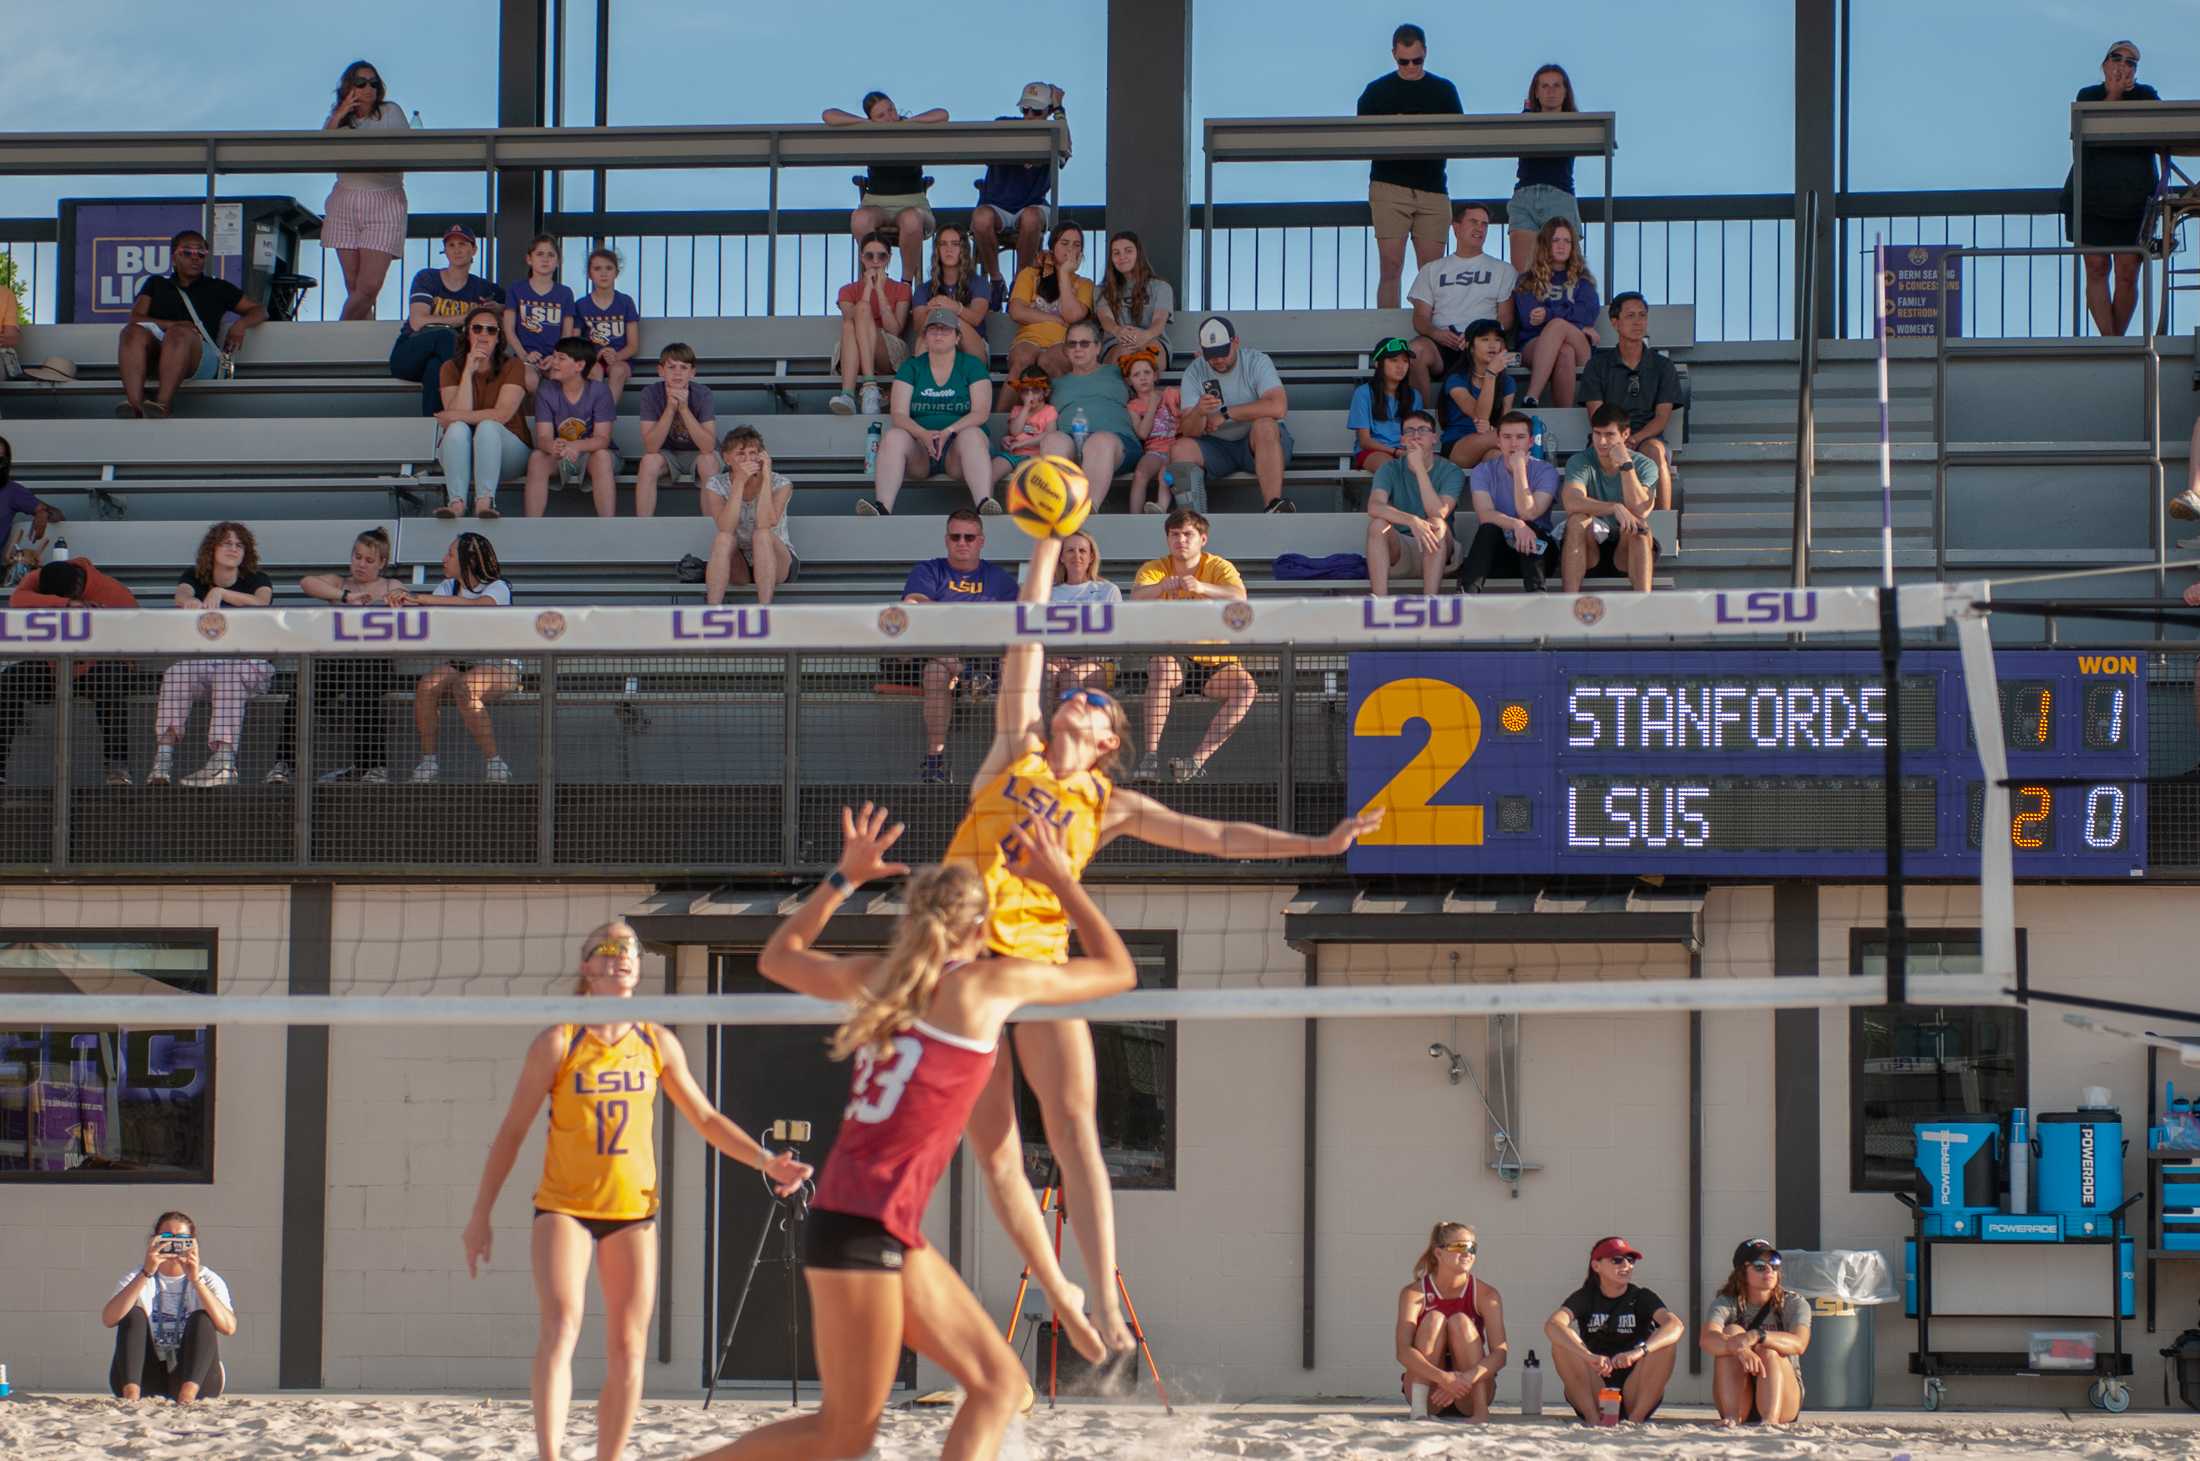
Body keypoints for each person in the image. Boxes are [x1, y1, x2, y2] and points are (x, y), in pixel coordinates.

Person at [938, 535, 1383, 1362]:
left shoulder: (1109, 800)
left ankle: (1103, 1296)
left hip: (1038, 962)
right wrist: (1042, 543)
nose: (1085, 700)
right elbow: (1026, 640)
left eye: (1101, 705)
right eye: (1082, 696)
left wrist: (1318, 841)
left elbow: (1218, 835)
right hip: (964, 964)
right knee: (995, 1149)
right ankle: (1059, 1287)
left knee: (1074, 1128)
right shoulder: (1012, 753)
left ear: (1108, 739)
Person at [703, 804, 1136, 1461]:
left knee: (997, 1384)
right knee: (844, 1433)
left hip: (876, 1224)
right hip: (862, 1226)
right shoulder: (986, 985)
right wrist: (1060, 877)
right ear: (983, 925)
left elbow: (778, 955)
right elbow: (1117, 969)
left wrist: (844, 879)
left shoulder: (880, 979)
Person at [465, 922, 811, 1461]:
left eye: (628, 948)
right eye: (606, 947)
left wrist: (767, 1162)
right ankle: (550, 1454)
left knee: (629, 1347)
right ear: (586, 966)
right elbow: (511, 1132)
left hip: (633, 1212)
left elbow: (705, 1117)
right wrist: (480, 1215)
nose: (620, 955)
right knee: (561, 1326)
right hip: (564, 1208)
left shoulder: (655, 1040)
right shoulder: (558, 1041)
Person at [1129, 509, 1256, 782]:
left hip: (1215, 661)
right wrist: (1161, 587)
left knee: (1246, 687)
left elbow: (1239, 596)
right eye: (1174, 535)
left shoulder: (1219, 566)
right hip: (1173, 655)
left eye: (1188, 534)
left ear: (1203, 539)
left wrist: (1201, 587)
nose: (1181, 540)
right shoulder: (1154, 568)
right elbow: (1136, 597)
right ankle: (1150, 758)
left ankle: (1194, 762)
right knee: (1162, 668)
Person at [152, 522, 275, 788]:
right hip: (209, 663)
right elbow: (182, 594)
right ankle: (163, 760)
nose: (233, 548)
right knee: (177, 672)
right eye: (226, 543)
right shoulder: (195, 576)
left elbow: (263, 602)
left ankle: (224, 762)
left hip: (249, 665)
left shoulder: (257, 579)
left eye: (239, 545)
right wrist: (190, 601)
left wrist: (220, 592)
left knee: (227, 674)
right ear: (213, 548)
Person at [904, 509, 1020, 784]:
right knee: (935, 671)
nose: (962, 542)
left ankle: (1014, 762)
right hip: (935, 650)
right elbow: (914, 605)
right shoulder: (929, 570)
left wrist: (946, 614)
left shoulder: (999, 579)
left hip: (984, 655)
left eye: (969, 537)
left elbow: (1015, 620)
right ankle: (935, 761)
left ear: (981, 541)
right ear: (946, 540)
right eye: (956, 536)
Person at [0, 559, 135, 788]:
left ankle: (117, 766)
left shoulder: (111, 591)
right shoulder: (39, 576)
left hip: (98, 666)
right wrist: (66, 603)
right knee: (7, 680)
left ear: (78, 586)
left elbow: (134, 633)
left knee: (111, 677)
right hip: (55, 664)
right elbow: (17, 599)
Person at [396, 533, 519, 784]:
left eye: (450, 554)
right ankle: (428, 762)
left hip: (500, 665)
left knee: (465, 688)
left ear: (469, 560)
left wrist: (422, 598)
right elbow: (424, 610)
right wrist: (399, 598)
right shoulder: (446, 587)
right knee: (427, 686)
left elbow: (481, 608)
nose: (444, 559)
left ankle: (495, 763)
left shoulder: (499, 587)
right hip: (459, 663)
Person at [1357, 24, 1462, 310]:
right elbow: (1360, 138)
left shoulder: (1443, 90)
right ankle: (1388, 334)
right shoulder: (1376, 92)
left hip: (1433, 189)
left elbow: (1461, 136)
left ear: (1425, 53)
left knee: (1432, 272)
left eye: (1417, 60)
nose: (1411, 67)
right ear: (1394, 55)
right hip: (1390, 186)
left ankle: (1433, 333)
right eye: (1404, 61)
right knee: (1391, 266)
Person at [2063, 41, 2159, 338]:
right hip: (2091, 196)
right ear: (2104, 63)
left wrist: (2125, 92)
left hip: (2134, 199)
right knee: (2096, 267)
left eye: (2131, 61)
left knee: (2128, 272)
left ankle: (2115, 341)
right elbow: (2089, 129)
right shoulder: (2088, 95)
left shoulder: (2146, 95)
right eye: (2117, 57)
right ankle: (2112, 341)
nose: (2123, 65)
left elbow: (2159, 129)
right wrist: (2115, 92)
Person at [116, 230, 266, 420]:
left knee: (179, 333)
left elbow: (260, 310)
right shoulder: (156, 284)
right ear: (173, 257)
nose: (195, 258)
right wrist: (173, 324)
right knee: (132, 332)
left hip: (200, 357)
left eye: (201, 254)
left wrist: (241, 325)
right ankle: (134, 405)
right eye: (187, 253)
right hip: (161, 352)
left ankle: (163, 405)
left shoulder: (218, 287)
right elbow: (136, 318)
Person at [296, 528, 404, 785]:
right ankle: (285, 763)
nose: (361, 564)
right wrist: (346, 597)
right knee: (301, 688)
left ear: (382, 563)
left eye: (369, 560)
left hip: (375, 661)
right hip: (338, 661)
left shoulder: (391, 585)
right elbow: (306, 583)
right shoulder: (338, 583)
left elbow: (407, 603)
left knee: (363, 683)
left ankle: (373, 766)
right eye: (357, 557)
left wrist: (394, 601)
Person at [864, 306, 996, 517]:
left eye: (945, 329)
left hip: (958, 450)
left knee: (973, 434)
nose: (939, 333)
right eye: (933, 329)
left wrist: (949, 431)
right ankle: (882, 508)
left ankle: (984, 504)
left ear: (957, 337)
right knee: (894, 436)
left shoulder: (972, 366)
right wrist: (923, 434)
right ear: (924, 336)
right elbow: (898, 414)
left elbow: (981, 413)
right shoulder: (912, 367)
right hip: (921, 449)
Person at [1546, 1236, 1685, 1425]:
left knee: (1665, 1343)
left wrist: (1637, 1353)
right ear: (1597, 1266)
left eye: (1631, 1260)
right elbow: (1552, 1325)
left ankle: (1635, 1421)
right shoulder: (1586, 1297)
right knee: (1562, 1343)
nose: (1626, 1265)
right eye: (1617, 1260)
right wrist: (1589, 1357)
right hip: (1595, 1388)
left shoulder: (1641, 1296)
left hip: (1635, 1390)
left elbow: (1676, 1325)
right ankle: (1593, 1420)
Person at [101, 1211, 235, 1402]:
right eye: (166, 1238)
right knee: (133, 1314)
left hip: (196, 1378)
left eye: (182, 1240)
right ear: (154, 1241)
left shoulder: (208, 1278)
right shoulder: (136, 1276)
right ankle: (131, 1395)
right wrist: (147, 1271)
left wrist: (195, 1279)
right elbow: (109, 1319)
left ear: (193, 1243)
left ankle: (186, 1396)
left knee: (202, 1318)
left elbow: (228, 1327)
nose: (173, 1245)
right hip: (146, 1376)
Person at [1170, 316, 1295, 514]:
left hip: (1258, 443)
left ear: (1235, 342)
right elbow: (1189, 431)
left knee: (1265, 425)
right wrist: (1199, 412)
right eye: (1211, 355)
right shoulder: (1194, 371)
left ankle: (1273, 506)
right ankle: (1193, 522)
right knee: (1180, 449)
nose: (1218, 359)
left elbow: (1278, 406)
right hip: (1218, 448)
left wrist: (1226, 413)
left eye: (1222, 352)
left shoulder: (1256, 361)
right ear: (1202, 350)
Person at [824, 91, 947, 283]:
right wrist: (867, 125)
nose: (890, 117)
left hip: (914, 203)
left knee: (911, 219)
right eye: (881, 115)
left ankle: (906, 283)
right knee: (859, 219)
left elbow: (942, 115)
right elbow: (828, 115)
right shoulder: (869, 133)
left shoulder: (910, 128)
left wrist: (908, 123)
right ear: (871, 119)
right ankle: (876, 279)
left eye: (891, 110)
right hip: (876, 203)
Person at [320, 59, 410, 320]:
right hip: (345, 199)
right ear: (349, 86)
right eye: (361, 82)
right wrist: (340, 113)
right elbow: (319, 150)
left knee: (369, 287)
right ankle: (359, 346)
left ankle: (338, 338)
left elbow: (408, 148)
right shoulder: (339, 122)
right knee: (354, 286)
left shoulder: (390, 112)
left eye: (374, 83)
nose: (368, 88)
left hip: (385, 198)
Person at [1404, 205, 1517, 413]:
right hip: (1443, 343)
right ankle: (1421, 419)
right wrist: (1437, 334)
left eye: (1484, 224)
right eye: (1473, 222)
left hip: (1482, 344)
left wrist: (1478, 336)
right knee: (1415, 351)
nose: (1480, 228)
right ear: (1456, 227)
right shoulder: (1432, 269)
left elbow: (1506, 319)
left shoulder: (1503, 270)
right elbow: (1420, 318)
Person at [1396, 1221, 1509, 1421]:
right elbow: (1403, 1351)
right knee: (1434, 1319)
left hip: (1469, 1393)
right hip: (1431, 1393)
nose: (1467, 1253)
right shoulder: (1413, 1293)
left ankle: (1481, 1411)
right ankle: (1419, 1411)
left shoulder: (1486, 1294)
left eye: (1472, 1247)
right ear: (1438, 1253)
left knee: (1461, 1322)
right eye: (1459, 1247)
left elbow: (1500, 1354)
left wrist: (1464, 1379)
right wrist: (1444, 1378)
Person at [1579, 292, 1681, 506]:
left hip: (1646, 436)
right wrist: (1618, 441)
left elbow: (1662, 418)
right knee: (1600, 452)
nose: (1638, 322)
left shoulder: (1663, 366)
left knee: (1656, 451)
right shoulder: (1597, 365)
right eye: (1630, 316)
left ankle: (1663, 525)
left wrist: (1633, 439)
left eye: (1642, 315)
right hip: (1607, 436)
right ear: (1615, 322)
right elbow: (1597, 416)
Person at [391, 225, 501, 415]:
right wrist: (466, 318)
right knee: (445, 336)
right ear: (446, 251)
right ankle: (476, 389)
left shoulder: (484, 288)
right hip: (410, 354)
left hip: (446, 360)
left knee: (437, 368)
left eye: (463, 244)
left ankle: (436, 428)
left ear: (474, 249)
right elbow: (418, 321)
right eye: (451, 245)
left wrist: (500, 308)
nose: (457, 250)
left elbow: (517, 306)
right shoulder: (428, 277)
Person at [435, 303, 530, 520]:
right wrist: (468, 372)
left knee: (488, 426)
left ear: (498, 338)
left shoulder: (514, 365)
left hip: (508, 453)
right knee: (458, 428)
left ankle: (485, 502)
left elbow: (502, 415)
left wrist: (455, 416)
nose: (484, 334)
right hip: (462, 454)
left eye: (491, 330)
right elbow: (453, 423)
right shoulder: (450, 368)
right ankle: (456, 503)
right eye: (477, 328)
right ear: (467, 333)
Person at [1703, 1239, 1811, 1428]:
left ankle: (1770, 1421)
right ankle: (1731, 1417)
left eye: (1774, 1264)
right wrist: (1738, 1347)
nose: (1769, 1271)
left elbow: (1799, 1343)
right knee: (1732, 1332)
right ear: (1742, 1273)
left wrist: (1758, 1335)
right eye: (1760, 1266)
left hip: (1782, 1396)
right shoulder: (1726, 1302)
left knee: (1768, 1349)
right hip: (1739, 1395)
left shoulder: (1794, 1302)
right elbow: (1707, 1339)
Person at [972, 82, 1070, 285]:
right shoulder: (1004, 125)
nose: (1029, 116)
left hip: (1032, 204)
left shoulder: (1053, 133)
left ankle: (1021, 282)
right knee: (980, 219)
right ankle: (996, 280)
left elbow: (1065, 148)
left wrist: (1060, 110)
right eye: (1025, 109)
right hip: (998, 205)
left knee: (1031, 218)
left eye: (1036, 111)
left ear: (1048, 111)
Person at [1041, 319, 1143, 508]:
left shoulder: (1118, 371)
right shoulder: (1055, 385)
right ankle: (1057, 508)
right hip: (1072, 442)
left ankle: (1088, 509)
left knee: (1100, 440)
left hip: (1117, 443)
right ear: (1065, 350)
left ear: (1098, 348)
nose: (1078, 349)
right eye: (1072, 344)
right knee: (1052, 440)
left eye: (1085, 343)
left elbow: (1148, 378)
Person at [1560, 405, 1658, 594]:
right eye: (1597, 433)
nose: (1602, 441)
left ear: (1625, 434)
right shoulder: (1580, 461)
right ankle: (1568, 606)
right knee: (1576, 520)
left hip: (1626, 548)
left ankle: (1644, 607)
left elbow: (1640, 509)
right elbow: (1571, 502)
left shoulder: (1645, 465)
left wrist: (1626, 465)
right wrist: (1614, 507)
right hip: (1591, 547)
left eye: (1610, 434)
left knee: (1640, 526)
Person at [1460, 412, 1559, 593]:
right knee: (1489, 529)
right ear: (1498, 441)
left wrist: (1519, 469)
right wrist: (1516, 525)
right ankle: (1467, 594)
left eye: (1520, 437)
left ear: (1530, 442)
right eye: (1507, 437)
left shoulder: (1546, 471)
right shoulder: (1482, 471)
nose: (1513, 444)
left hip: (1539, 554)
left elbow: (1528, 512)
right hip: (1501, 553)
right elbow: (1485, 514)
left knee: (1531, 526)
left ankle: (1537, 595)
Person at [1365, 410, 1459, 597]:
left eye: (1423, 430)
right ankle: (1380, 602)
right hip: (1402, 549)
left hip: (1439, 549)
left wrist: (1419, 469)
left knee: (1436, 524)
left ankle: (1430, 601)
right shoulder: (1390, 468)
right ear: (1402, 440)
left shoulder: (1451, 470)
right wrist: (1412, 521)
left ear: (1434, 438)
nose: (1416, 435)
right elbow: (1374, 506)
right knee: (1378, 525)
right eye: (1409, 431)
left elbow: (1438, 512)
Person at [524, 339, 622, 518]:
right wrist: (552, 446)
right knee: (538, 457)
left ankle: (609, 525)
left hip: (592, 454)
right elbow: (543, 437)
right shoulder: (546, 391)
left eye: (560, 358)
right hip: (561, 455)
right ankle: (531, 526)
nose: (553, 362)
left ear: (579, 365)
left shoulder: (599, 391)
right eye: (553, 357)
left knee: (601, 457)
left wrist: (575, 446)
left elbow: (602, 439)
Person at [703, 426, 798, 608]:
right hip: (740, 562)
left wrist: (766, 476)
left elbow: (766, 522)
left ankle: (765, 610)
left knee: (761, 534)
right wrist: (739, 482)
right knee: (723, 538)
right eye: (741, 454)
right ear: (727, 458)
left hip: (777, 560)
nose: (748, 459)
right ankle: (713, 610)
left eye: (753, 453)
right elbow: (726, 527)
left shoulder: (781, 483)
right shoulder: (716, 484)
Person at [1508, 64, 1586, 276]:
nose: (1550, 91)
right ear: (1536, 91)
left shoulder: (1575, 122)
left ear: (1565, 91)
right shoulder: (1525, 121)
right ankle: (1531, 311)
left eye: (1556, 85)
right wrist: (1527, 112)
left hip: (1558, 194)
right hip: (1525, 194)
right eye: (1544, 86)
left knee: (1565, 274)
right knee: (1524, 276)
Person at [1513, 219, 1600, 407]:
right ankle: (1564, 416)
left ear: (1573, 246)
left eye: (1567, 241)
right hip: (1535, 345)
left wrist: (1550, 315)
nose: (1561, 245)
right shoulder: (1527, 280)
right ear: (1545, 243)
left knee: (1557, 326)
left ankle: (1531, 396)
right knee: (1564, 352)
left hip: (1580, 347)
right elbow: (1529, 320)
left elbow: (1587, 313)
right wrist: (1578, 325)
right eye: (1555, 240)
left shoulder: (1583, 281)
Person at [635, 343, 721, 520]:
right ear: (661, 370)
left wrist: (683, 409)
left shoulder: (703, 394)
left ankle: (712, 527)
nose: (677, 372)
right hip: (668, 455)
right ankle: (642, 526)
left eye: (684, 367)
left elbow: (707, 446)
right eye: (671, 367)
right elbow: (651, 446)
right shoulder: (650, 393)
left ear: (692, 372)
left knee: (708, 461)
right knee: (648, 461)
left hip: (698, 454)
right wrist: (669, 409)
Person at [829, 233, 912, 416]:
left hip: (888, 351)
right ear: (861, 258)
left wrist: (880, 292)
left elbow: (894, 329)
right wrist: (867, 288)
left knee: (857, 317)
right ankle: (855, 393)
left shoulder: (902, 289)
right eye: (869, 256)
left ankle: (863, 388)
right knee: (852, 323)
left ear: (889, 258)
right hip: (853, 351)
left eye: (881, 256)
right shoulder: (847, 290)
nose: (875, 261)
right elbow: (854, 318)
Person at [1004, 224, 1093, 382]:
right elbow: (1016, 311)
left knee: (1049, 360)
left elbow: (1072, 317)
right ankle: (1000, 408)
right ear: (1052, 248)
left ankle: (1063, 407)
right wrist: (1056, 319)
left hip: (1063, 343)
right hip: (1028, 340)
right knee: (1024, 359)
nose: (1070, 249)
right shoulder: (1029, 275)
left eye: (1076, 245)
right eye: (1064, 243)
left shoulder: (1085, 284)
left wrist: (1064, 273)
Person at [1046, 529, 1120, 701]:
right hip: (1055, 661)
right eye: (1070, 550)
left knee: (1069, 678)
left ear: (1091, 557)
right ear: (1061, 557)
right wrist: (1054, 656)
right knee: (1047, 676)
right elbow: (1038, 634)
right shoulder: (1048, 592)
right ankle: (1043, 727)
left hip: (1099, 662)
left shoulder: (1108, 590)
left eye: (1082, 551)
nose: (1076, 555)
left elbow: (1117, 639)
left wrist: (1089, 658)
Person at [503, 233, 577, 393]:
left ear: (558, 261)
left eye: (551, 255)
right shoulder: (516, 289)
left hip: (555, 356)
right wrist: (524, 355)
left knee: (564, 380)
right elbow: (508, 328)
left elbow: (567, 333)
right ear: (529, 259)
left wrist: (557, 356)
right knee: (529, 380)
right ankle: (534, 418)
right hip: (526, 356)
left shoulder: (565, 293)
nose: (545, 259)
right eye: (539, 254)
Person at [911, 223, 996, 360]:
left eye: (955, 244)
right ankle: (923, 378)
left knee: (949, 318)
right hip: (937, 346)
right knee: (929, 330)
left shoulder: (979, 283)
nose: (948, 249)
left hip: (973, 351)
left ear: (963, 249)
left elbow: (976, 318)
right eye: (943, 244)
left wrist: (953, 307)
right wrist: (929, 310)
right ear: (937, 250)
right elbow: (918, 327)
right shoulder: (923, 289)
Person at [1440, 319, 1514, 471]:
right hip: (1458, 446)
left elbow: (1504, 422)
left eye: (1498, 340)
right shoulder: (1456, 380)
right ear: (1469, 346)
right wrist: (1491, 374)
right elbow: (1479, 416)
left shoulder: (1507, 382)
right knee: (1510, 436)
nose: (1492, 345)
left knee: (1497, 458)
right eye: (1485, 339)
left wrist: (1493, 428)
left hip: (1492, 442)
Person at [572, 247, 641, 403]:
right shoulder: (581, 305)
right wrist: (594, 356)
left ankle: (606, 415)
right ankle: (593, 414)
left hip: (620, 359)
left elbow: (633, 345)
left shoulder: (625, 302)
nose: (603, 273)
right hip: (591, 359)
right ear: (589, 274)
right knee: (593, 370)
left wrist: (616, 356)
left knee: (618, 370)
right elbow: (574, 342)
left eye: (609, 268)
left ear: (616, 272)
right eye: (597, 268)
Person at [1094, 231, 1174, 364]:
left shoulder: (1161, 287)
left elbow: (1159, 321)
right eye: (1116, 253)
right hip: (1116, 343)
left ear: (1138, 254)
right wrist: (1119, 331)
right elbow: (1105, 319)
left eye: (1128, 251)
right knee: (1124, 352)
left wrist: (1145, 336)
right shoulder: (1102, 290)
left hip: (1152, 339)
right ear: (1111, 258)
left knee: (1150, 353)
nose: (1122, 257)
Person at [1348, 336, 1420, 476]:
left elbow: (1415, 434)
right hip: (1373, 452)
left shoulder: (1414, 396)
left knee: (1439, 467)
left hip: (1404, 451)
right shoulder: (1363, 393)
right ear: (1377, 363)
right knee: (1392, 469)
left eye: (1405, 361)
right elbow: (1365, 441)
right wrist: (1396, 452)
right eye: (1394, 360)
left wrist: (1407, 453)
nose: (1401, 366)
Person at [1123, 353, 1181, 514]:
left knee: (1165, 474)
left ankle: (1160, 507)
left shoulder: (1170, 393)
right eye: (1136, 374)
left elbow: (1189, 408)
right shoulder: (1134, 406)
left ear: (1155, 376)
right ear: (1129, 381)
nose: (1142, 378)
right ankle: (1134, 517)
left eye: (1147, 373)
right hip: (1154, 451)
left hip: (1176, 448)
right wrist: (1153, 405)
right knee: (1140, 473)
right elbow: (1142, 433)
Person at [998, 372, 1057, 464]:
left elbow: (1049, 435)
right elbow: (1014, 432)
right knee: (996, 465)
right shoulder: (1017, 410)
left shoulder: (1049, 411)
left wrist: (1021, 444)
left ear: (1045, 392)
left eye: (1035, 390)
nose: (1030, 396)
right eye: (1025, 391)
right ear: (1020, 393)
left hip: (1038, 456)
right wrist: (1026, 407)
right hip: (1015, 454)